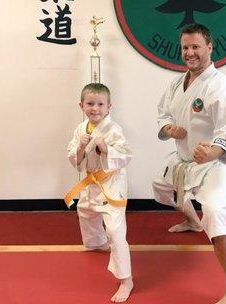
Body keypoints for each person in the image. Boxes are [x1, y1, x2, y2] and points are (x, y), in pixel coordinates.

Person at [152, 24, 226, 304]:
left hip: (214, 165)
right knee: (162, 187)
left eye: (195, 47)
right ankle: (192, 221)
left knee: (215, 212)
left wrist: (213, 152)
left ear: (209, 48)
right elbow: (163, 113)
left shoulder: (222, 87)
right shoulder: (176, 83)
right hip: (183, 160)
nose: (189, 53)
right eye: (185, 48)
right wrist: (169, 128)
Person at [67, 83, 133, 303]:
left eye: (100, 104)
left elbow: (126, 156)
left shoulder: (114, 130)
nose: (95, 108)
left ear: (109, 107)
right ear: (82, 105)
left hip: (111, 183)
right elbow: (73, 158)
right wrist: (79, 148)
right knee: (85, 211)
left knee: (115, 229)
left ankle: (126, 280)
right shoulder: (80, 129)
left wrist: (106, 149)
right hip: (91, 182)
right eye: (90, 104)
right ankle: (97, 243)